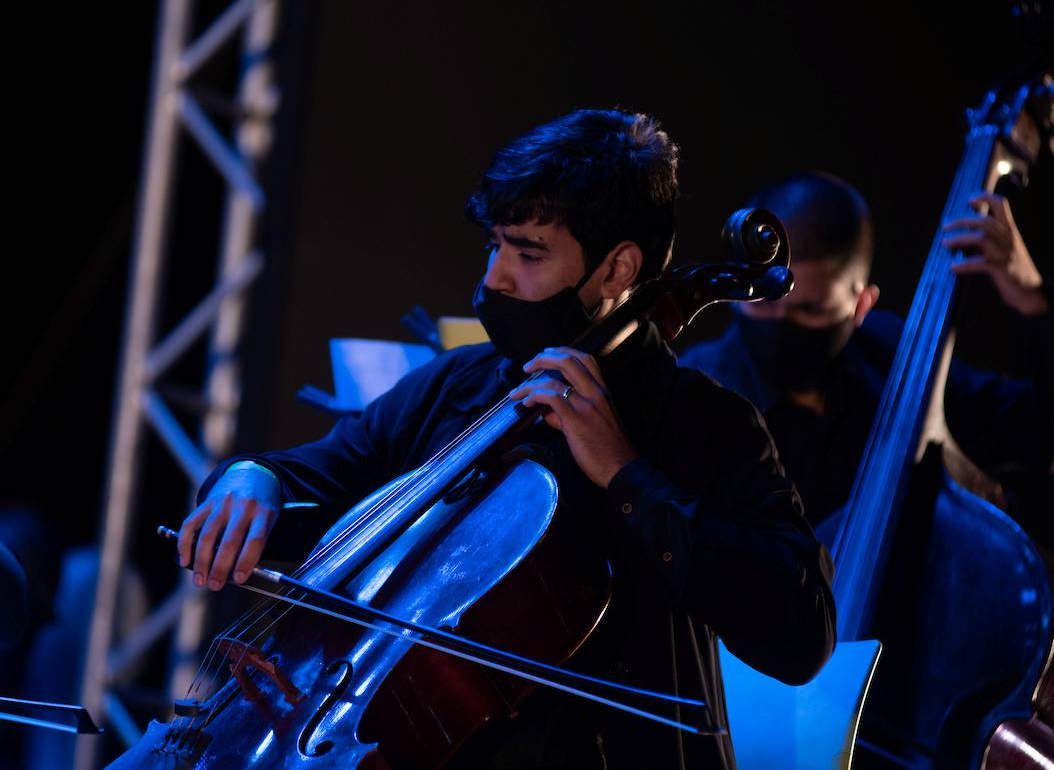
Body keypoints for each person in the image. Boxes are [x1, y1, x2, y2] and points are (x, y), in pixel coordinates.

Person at [176, 110, 836, 770]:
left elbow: (801, 633)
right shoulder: (464, 385)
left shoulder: (705, 425)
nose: (493, 278)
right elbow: (316, 476)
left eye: (527, 253)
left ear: (616, 270)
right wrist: (252, 478)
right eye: (495, 244)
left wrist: (625, 475)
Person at [680, 172, 1054, 529]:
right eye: (762, 301)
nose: (780, 322)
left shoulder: (897, 360)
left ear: (861, 305)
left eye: (810, 310)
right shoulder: (696, 393)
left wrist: (1036, 301)